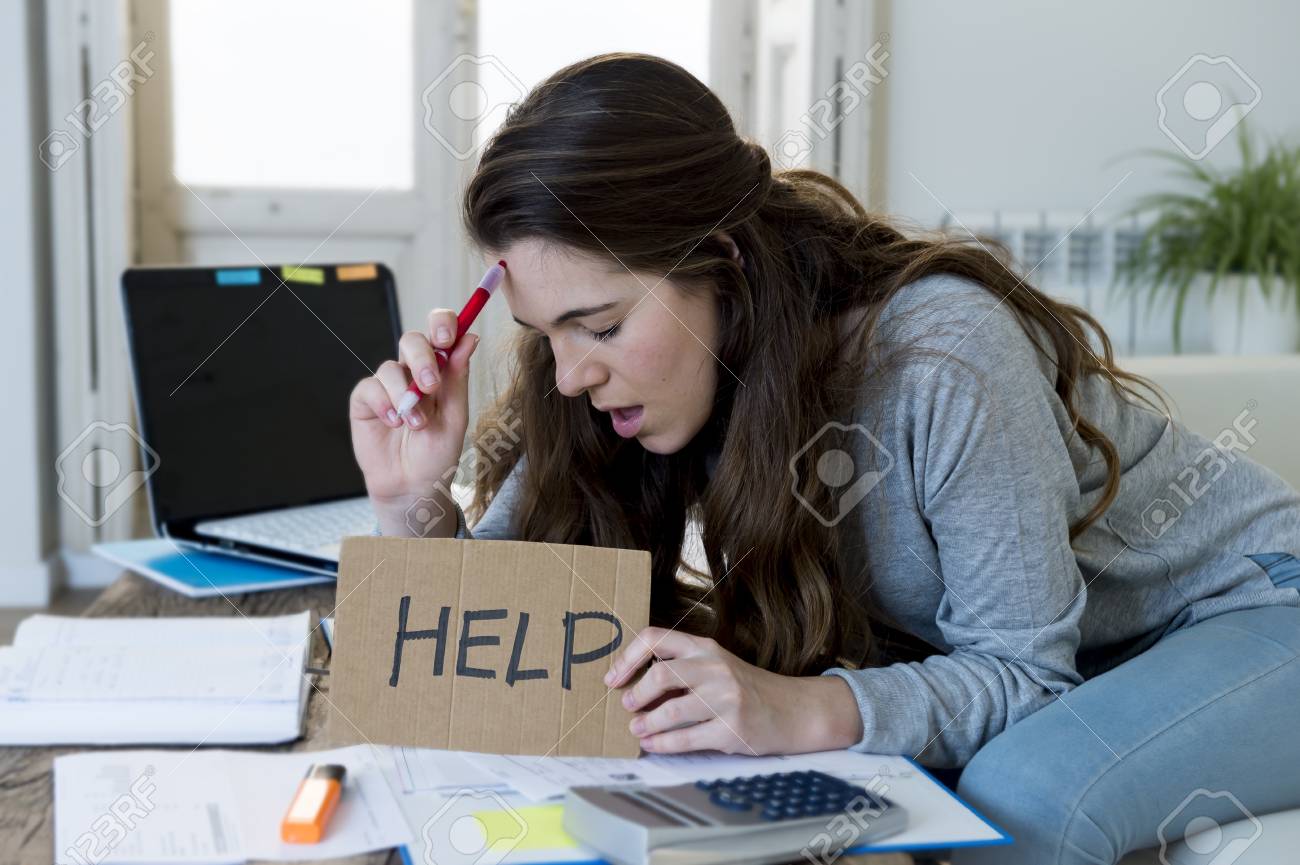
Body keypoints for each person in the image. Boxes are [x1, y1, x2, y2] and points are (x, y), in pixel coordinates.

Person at [348, 53, 1300, 864]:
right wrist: (411, 494)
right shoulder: (614, 380)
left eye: (598, 325)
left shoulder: (942, 352)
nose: (566, 375)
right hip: (1088, 657)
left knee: (1026, 789)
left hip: (1244, 612)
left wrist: (797, 710)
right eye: (545, 333)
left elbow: (1025, 674)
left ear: (721, 261)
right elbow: (481, 657)